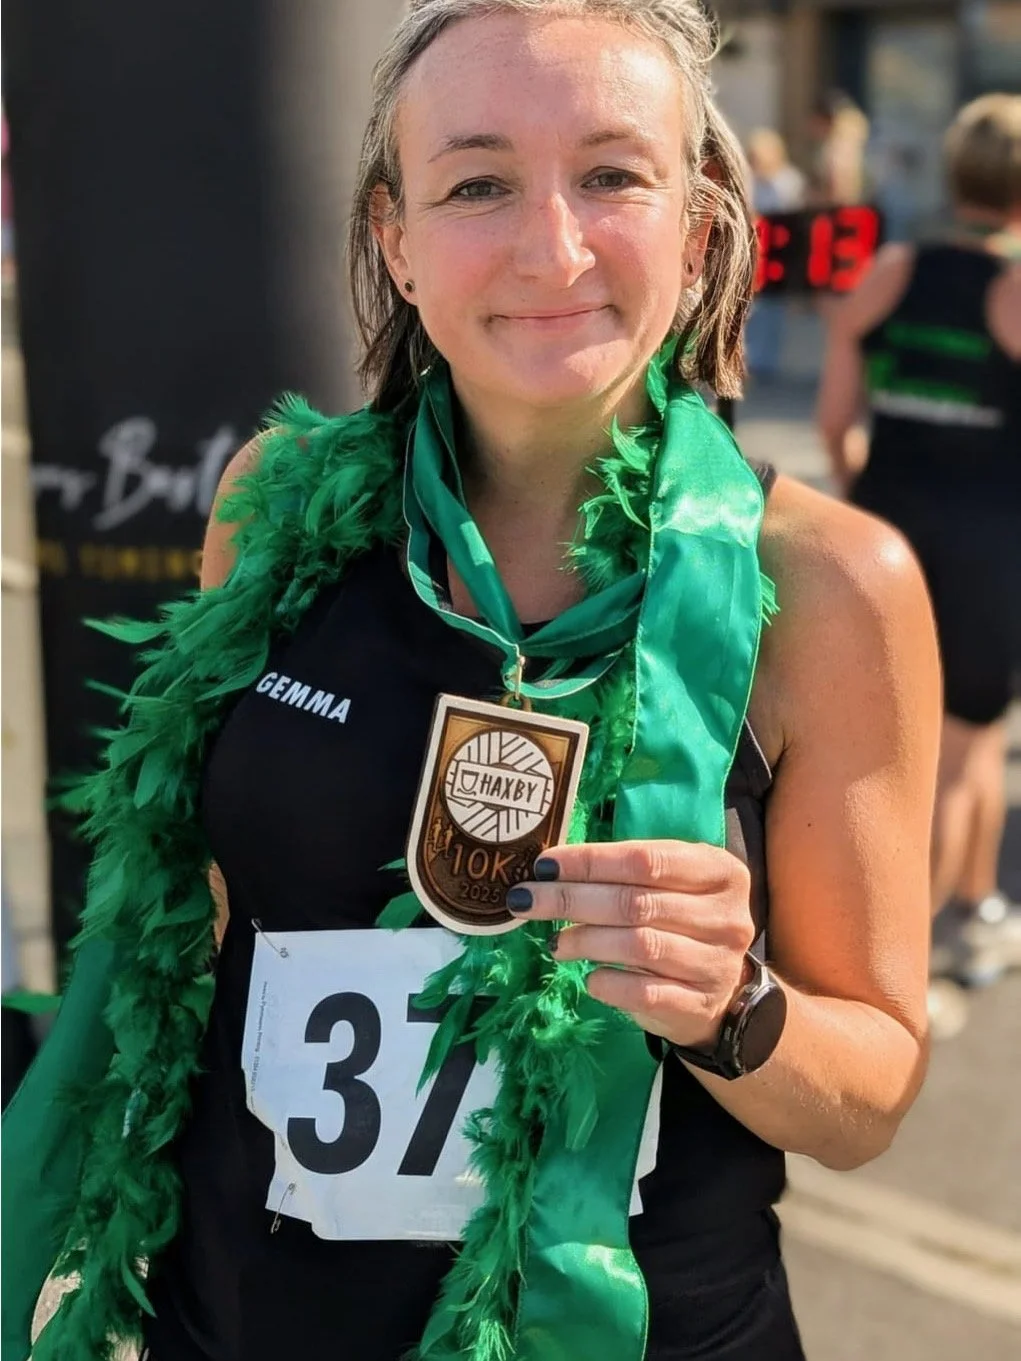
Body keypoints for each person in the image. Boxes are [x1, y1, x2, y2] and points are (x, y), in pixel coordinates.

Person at [6, 4, 939, 1360]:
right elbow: (203, 937)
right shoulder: (271, 507)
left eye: (613, 174)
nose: (549, 245)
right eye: (477, 182)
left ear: (699, 225)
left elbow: (866, 1095)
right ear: (396, 236)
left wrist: (732, 1005)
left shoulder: (836, 584)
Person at [817, 94, 1021, 1030]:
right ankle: (911, 968)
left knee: (948, 748)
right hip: (987, 552)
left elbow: (833, 423)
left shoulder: (890, 270)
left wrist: (877, 490)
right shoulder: (1014, 287)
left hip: (888, 540)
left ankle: (978, 907)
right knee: (959, 750)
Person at [744, 128, 805, 380]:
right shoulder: (751, 180)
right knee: (753, 308)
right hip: (757, 249)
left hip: (779, 252)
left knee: (774, 308)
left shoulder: (788, 182)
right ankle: (752, 358)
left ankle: (767, 361)